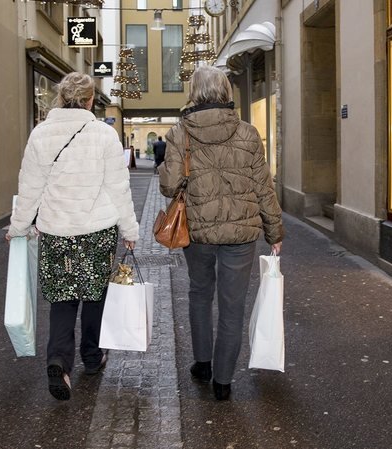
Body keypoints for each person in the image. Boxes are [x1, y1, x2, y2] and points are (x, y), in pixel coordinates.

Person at [6, 72, 140, 401]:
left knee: (63, 301)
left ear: (61, 97)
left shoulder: (40, 134)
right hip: (97, 231)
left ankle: (58, 361)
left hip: (57, 232)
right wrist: (130, 229)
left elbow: (30, 188)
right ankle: (92, 358)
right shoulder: (104, 135)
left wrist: (18, 226)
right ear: (91, 100)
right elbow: (118, 188)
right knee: (94, 297)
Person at [159, 65, 284, 401]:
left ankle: (202, 364)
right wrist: (275, 231)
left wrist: (167, 165)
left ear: (194, 91)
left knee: (200, 294)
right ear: (226, 91)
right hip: (241, 235)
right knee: (232, 306)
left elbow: (169, 186)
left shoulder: (178, 133)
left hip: (197, 232)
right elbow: (263, 188)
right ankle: (223, 382)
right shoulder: (247, 132)